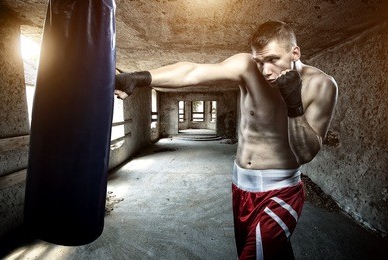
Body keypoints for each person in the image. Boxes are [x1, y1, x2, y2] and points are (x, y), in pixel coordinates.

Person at [115, 21, 338, 260]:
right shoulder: (246, 67)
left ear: (295, 52)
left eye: (273, 59)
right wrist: (140, 78)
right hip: (240, 186)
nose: (265, 70)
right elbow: (194, 71)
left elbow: (305, 154)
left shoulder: (321, 85)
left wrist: (294, 103)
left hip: (280, 193)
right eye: (260, 61)